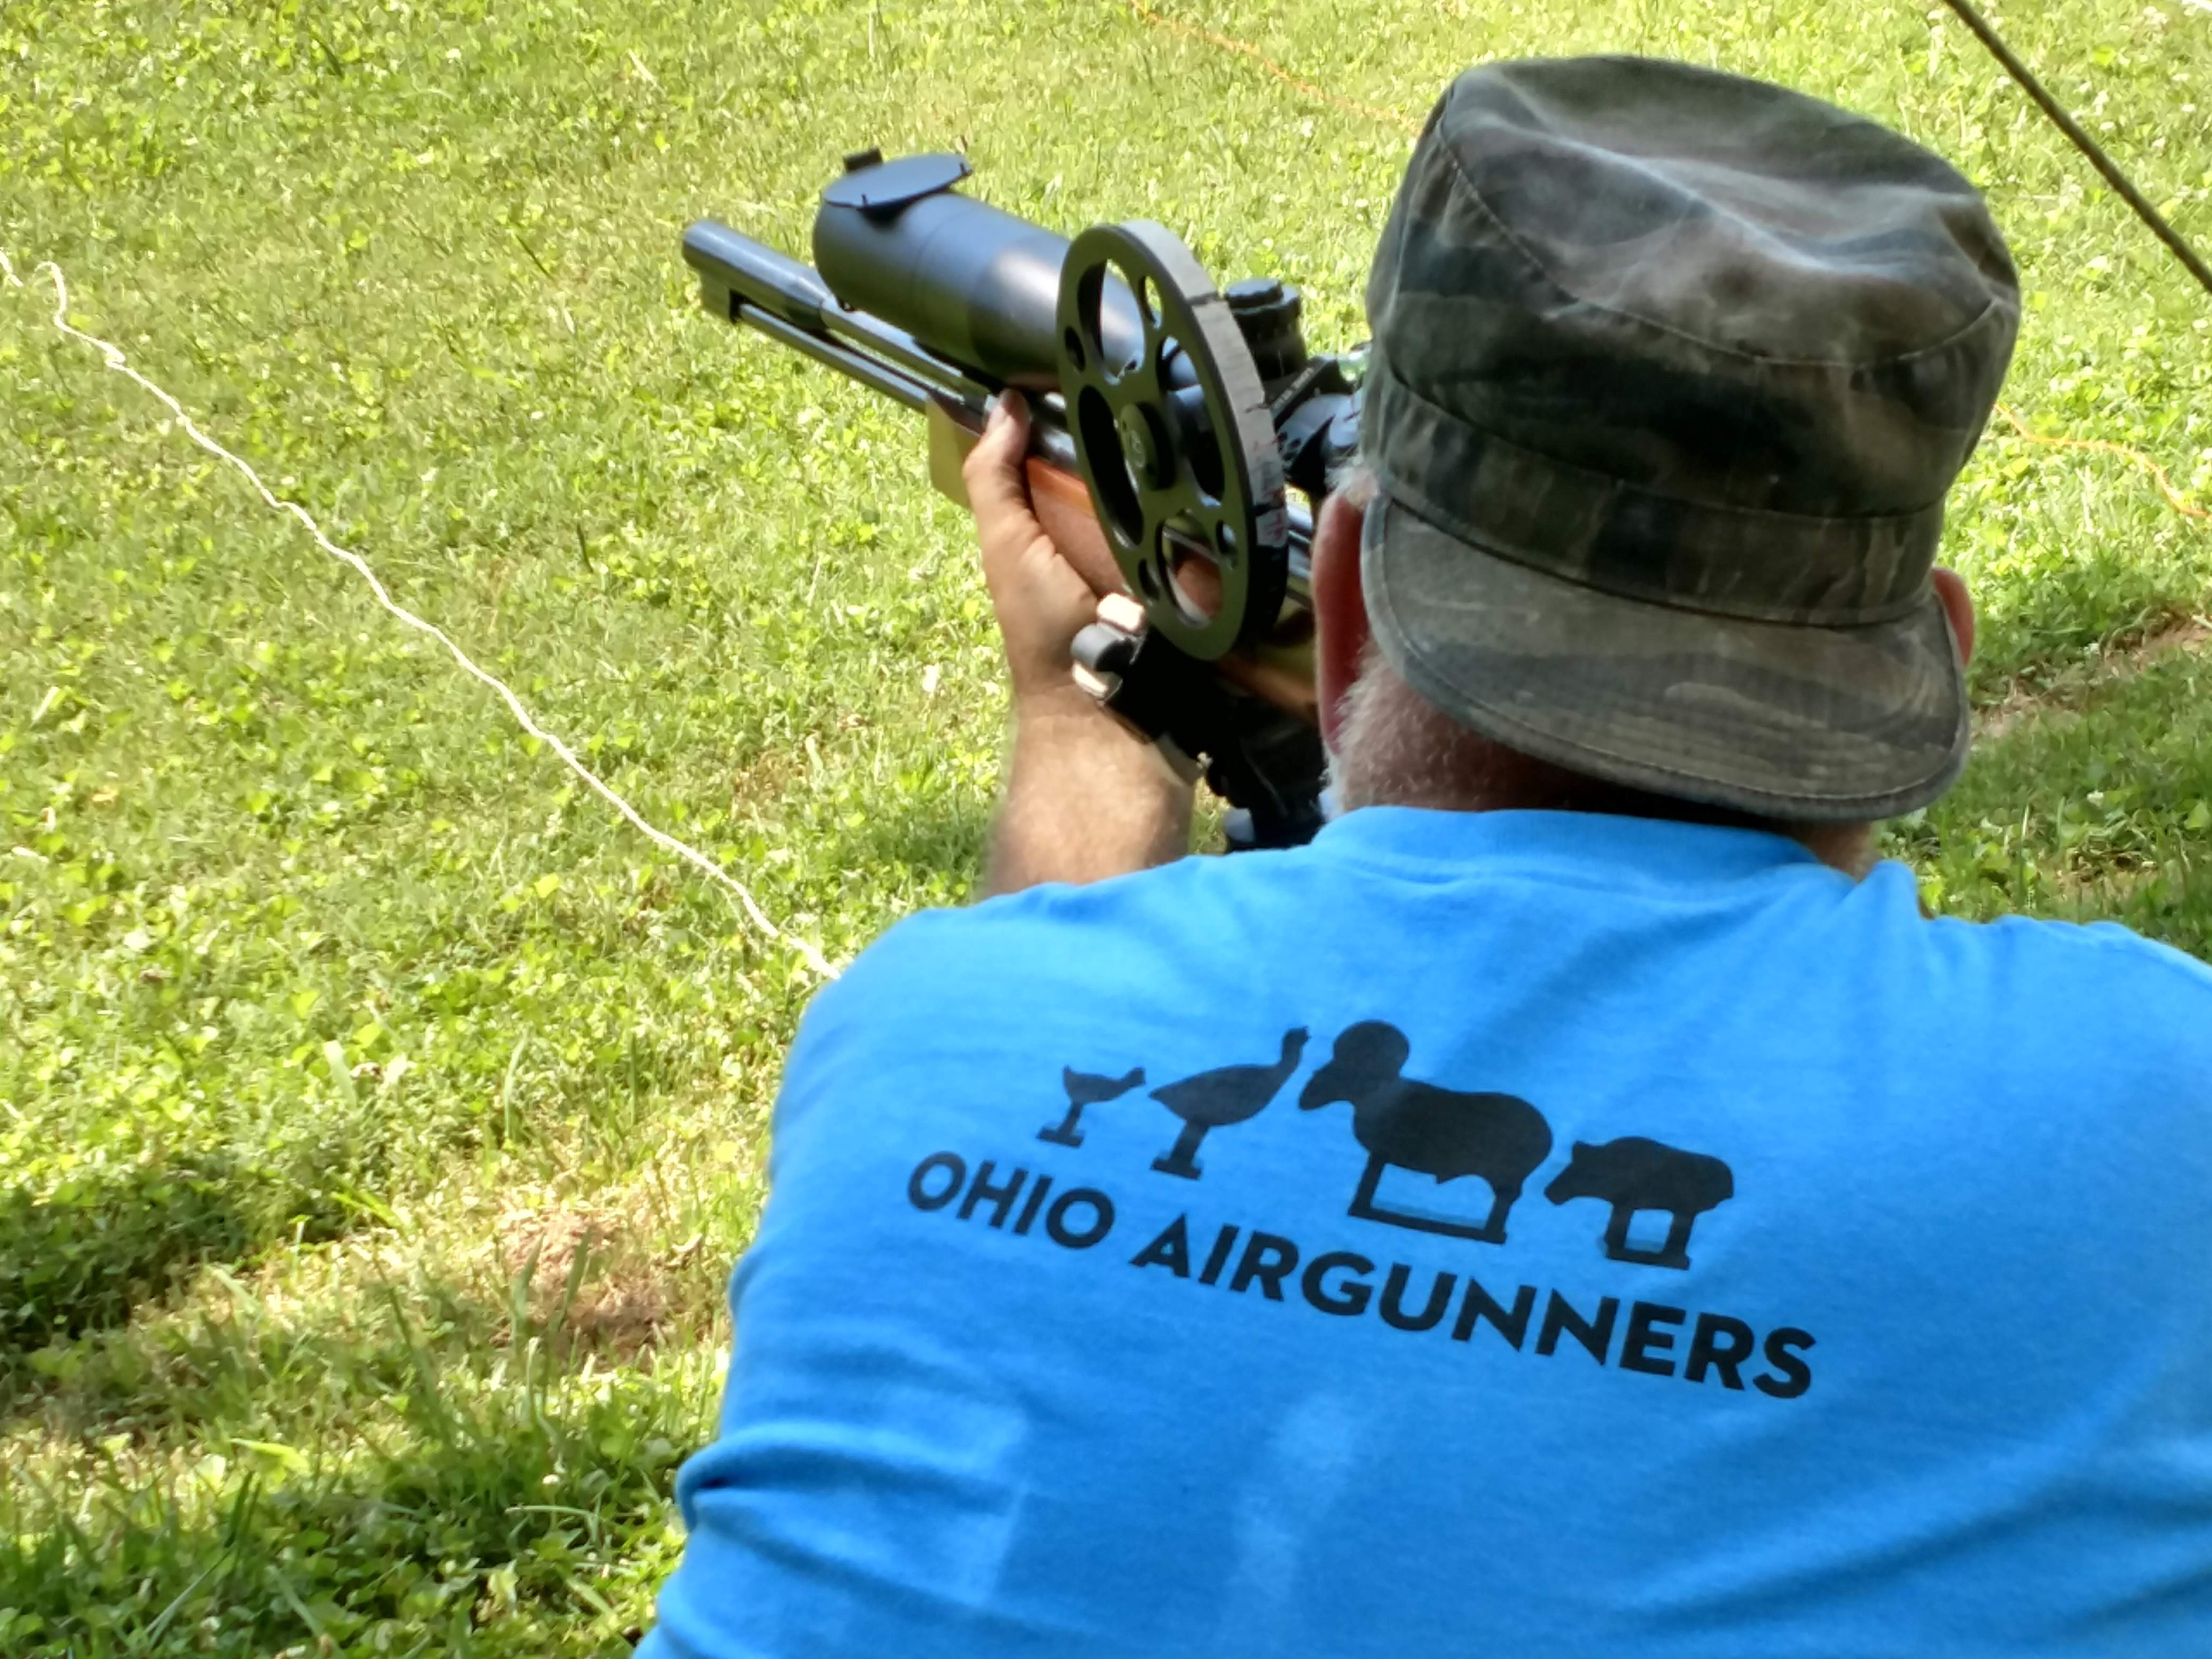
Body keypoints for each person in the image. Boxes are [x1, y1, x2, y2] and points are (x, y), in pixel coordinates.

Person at [644, 55, 2212, 1658]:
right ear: (1933, 654)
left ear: (1339, 599)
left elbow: (1081, 1118)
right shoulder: (2168, 1098)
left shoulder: (921, 1021)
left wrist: (1077, 709)